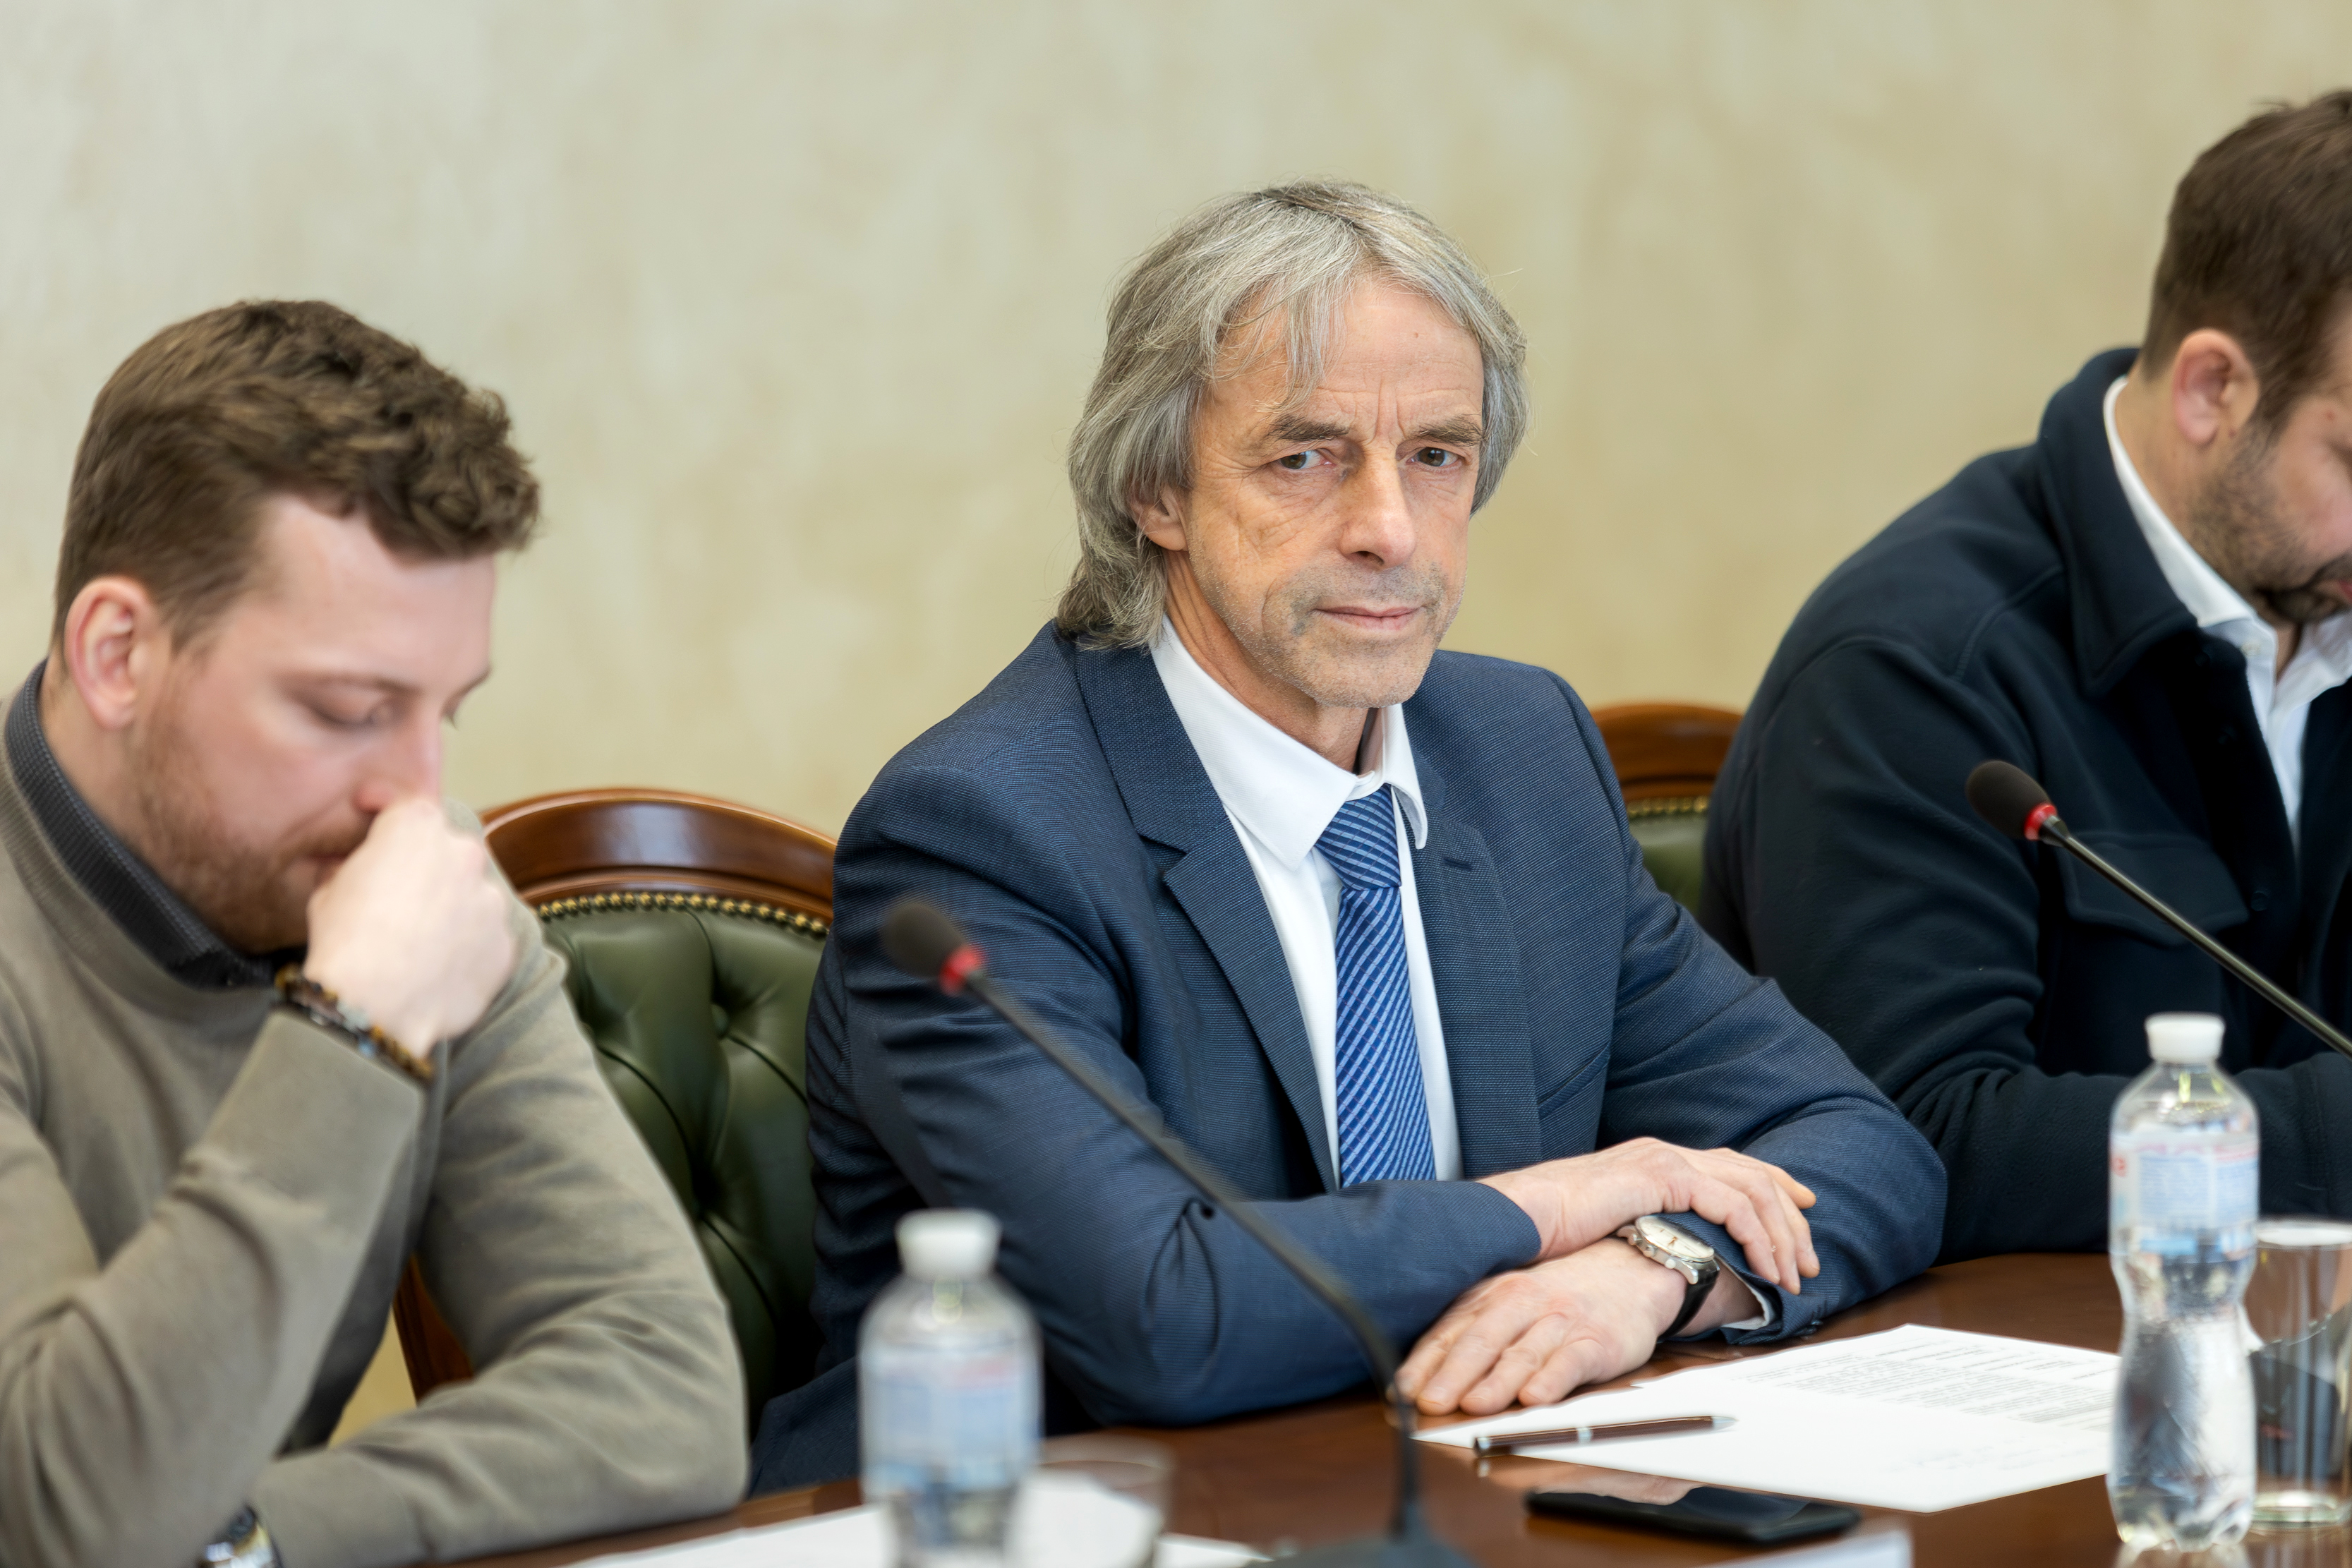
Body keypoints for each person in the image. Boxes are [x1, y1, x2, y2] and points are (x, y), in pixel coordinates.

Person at [752, 182, 1944, 1489]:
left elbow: (1859, 1142)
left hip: (1472, 1499)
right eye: (1303, 457)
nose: (1388, 529)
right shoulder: (981, 830)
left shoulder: (1521, 753)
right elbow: (1162, 1316)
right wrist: (1547, 1204)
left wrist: (1646, 1269)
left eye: (1436, 456)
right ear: (1155, 490)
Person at [0, 302, 746, 1568]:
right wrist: (349, 1032)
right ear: (118, 653)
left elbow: (665, 1389)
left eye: (445, 711)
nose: (416, 793)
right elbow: (67, 1513)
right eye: (350, 708)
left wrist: (246, 1545)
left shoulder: (402, 887)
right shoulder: (381, 960)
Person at [1702, 94, 2352, 1262]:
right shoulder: (1912, 667)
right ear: (2212, 390)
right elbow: (1913, 1141)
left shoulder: (2323, 589)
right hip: (2046, 1353)